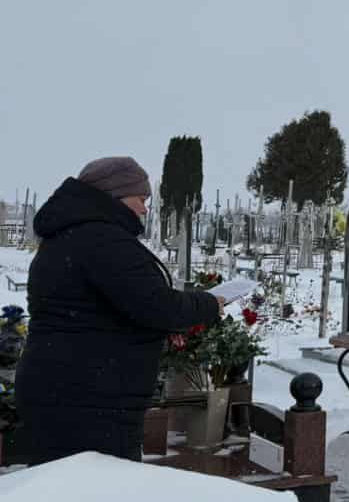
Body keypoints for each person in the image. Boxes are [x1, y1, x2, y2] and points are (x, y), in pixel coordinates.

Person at [14, 157, 224, 465]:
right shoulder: (102, 239)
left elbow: (121, 303)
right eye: (141, 199)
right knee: (98, 487)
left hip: (67, 389)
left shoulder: (69, 235)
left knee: (66, 483)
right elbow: (156, 306)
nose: (145, 209)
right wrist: (210, 304)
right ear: (116, 196)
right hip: (91, 399)